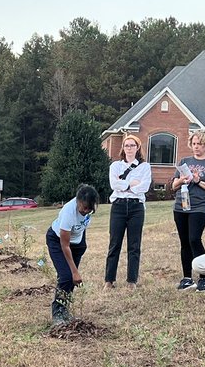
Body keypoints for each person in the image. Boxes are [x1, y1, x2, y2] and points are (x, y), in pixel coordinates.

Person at [171, 129, 205, 292]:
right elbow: (173, 186)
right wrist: (182, 179)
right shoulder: (184, 161)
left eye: (199, 144)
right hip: (181, 206)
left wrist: (199, 181)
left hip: (200, 207)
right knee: (184, 241)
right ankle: (187, 278)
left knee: (194, 239)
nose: (196, 147)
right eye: (193, 144)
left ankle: (204, 278)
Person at [47, 184, 100, 324]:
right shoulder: (68, 212)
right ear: (78, 201)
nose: (86, 211)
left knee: (70, 280)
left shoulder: (88, 210)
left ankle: (65, 310)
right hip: (58, 241)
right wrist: (75, 271)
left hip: (76, 244)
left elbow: (82, 227)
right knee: (66, 276)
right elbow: (65, 245)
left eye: (90, 208)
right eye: (84, 207)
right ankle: (58, 314)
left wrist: (82, 245)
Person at [104, 134, 152, 288]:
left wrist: (125, 184)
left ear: (137, 148)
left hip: (136, 207)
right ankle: (109, 280)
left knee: (134, 244)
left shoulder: (144, 166)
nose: (129, 148)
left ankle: (132, 280)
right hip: (118, 206)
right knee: (114, 243)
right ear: (123, 148)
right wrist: (131, 184)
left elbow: (144, 187)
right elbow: (114, 185)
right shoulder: (115, 166)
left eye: (132, 145)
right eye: (126, 145)